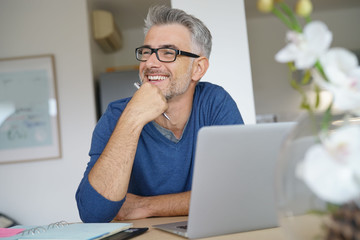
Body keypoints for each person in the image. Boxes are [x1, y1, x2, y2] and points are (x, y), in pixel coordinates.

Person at [76, 5, 244, 223]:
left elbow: (237, 192)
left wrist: (146, 206)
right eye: (146, 52)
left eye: (168, 52)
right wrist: (133, 118)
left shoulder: (215, 103)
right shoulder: (117, 115)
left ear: (198, 69)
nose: (150, 63)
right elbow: (93, 212)